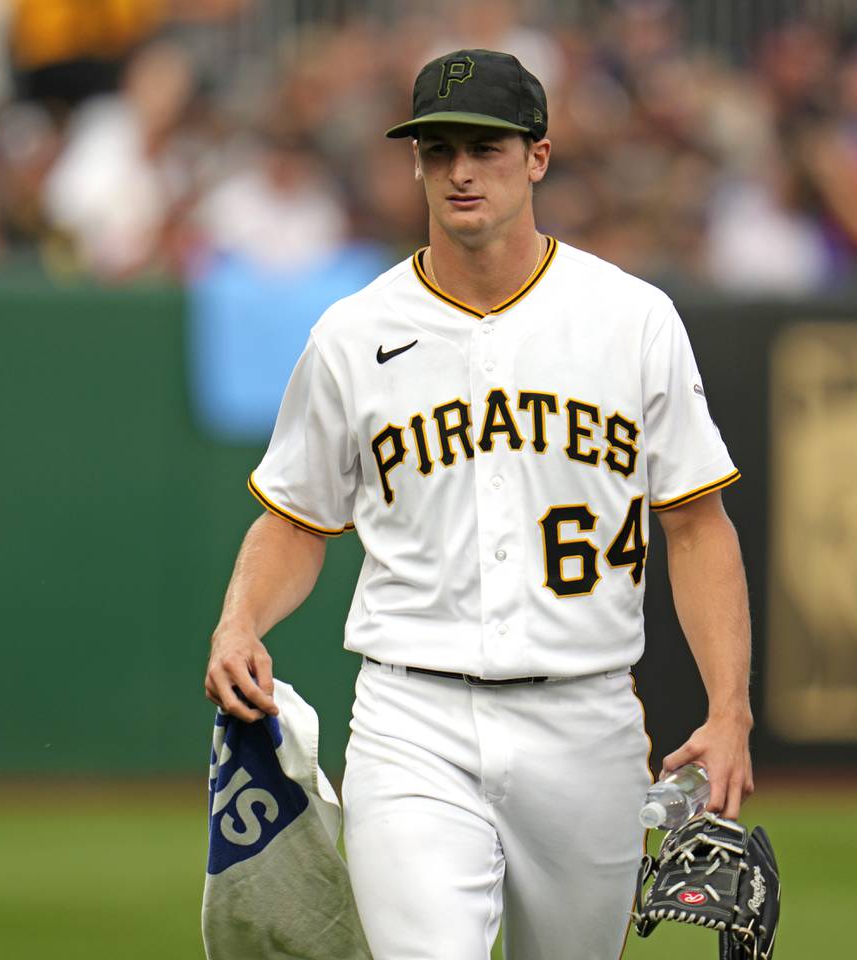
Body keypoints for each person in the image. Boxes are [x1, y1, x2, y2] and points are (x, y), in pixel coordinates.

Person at [202, 48, 754, 960]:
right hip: (412, 716)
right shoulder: (352, 334)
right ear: (415, 163)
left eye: (487, 146)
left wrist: (728, 709)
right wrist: (239, 623)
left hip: (586, 718)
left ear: (537, 156)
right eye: (438, 149)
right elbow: (296, 519)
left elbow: (695, 525)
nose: (461, 170)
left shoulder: (631, 318)